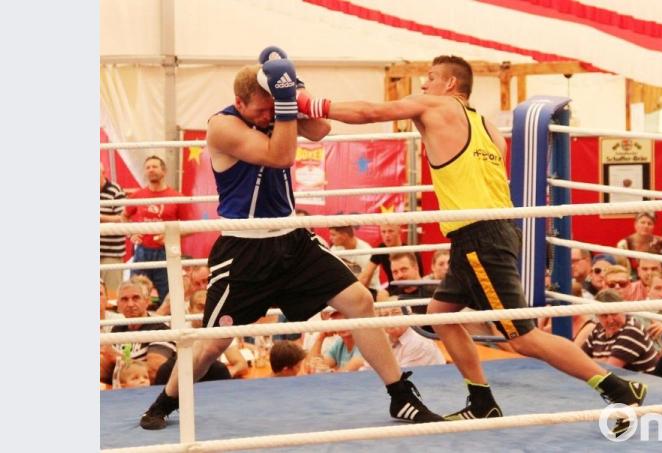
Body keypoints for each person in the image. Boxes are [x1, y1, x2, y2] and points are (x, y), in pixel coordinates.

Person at [313, 54, 647, 428]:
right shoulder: (486, 126)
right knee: (440, 316)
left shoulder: (437, 105)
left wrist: (314, 105)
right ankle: (482, 399)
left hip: (479, 236)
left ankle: (618, 389)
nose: (423, 85)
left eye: (430, 77)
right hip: (485, 233)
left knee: (522, 338)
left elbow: (371, 111)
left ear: (451, 85)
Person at [139, 50, 442, 430]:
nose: (269, 116)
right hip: (244, 248)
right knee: (212, 343)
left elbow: (320, 130)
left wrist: (295, 90)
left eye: (273, 108)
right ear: (240, 102)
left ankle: (400, 396)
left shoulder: (273, 110)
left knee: (360, 300)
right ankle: (165, 401)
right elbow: (280, 156)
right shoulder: (222, 126)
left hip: (292, 239)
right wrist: (284, 106)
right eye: (262, 110)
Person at [122, 155, 190, 304]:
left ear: (164, 171)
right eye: (148, 167)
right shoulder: (137, 196)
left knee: (169, 298)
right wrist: (131, 234)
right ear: (145, 173)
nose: (151, 170)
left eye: (154, 166)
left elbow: (190, 227)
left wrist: (170, 236)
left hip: (166, 252)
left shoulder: (177, 197)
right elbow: (124, 217)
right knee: (135, 295)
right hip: (141, 251)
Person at [581, 290, 659, 373]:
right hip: (618, 380)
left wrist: (590, 361)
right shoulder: (598, 329)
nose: (610, 320)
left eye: (614, 313)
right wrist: (602, 360)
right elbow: (580, 359)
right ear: (597, 316)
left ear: (624, 310)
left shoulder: (632, 330)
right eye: (604, 315)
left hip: (643, 383)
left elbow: (610, 368)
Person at [358, 224, 424, 288]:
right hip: (392, 289)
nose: (387, 235)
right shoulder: (381, 249)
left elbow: (419, 279)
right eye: (383, 232)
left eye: (390, 231)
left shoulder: (411, 252)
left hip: (408, 289)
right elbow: (365, 276)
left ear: (399, 231)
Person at [100, 162, 127, 295]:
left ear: (103, 174)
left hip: (110, 253)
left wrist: (100, 217)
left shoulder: (115, 191)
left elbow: (123, 217)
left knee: (111, 294)